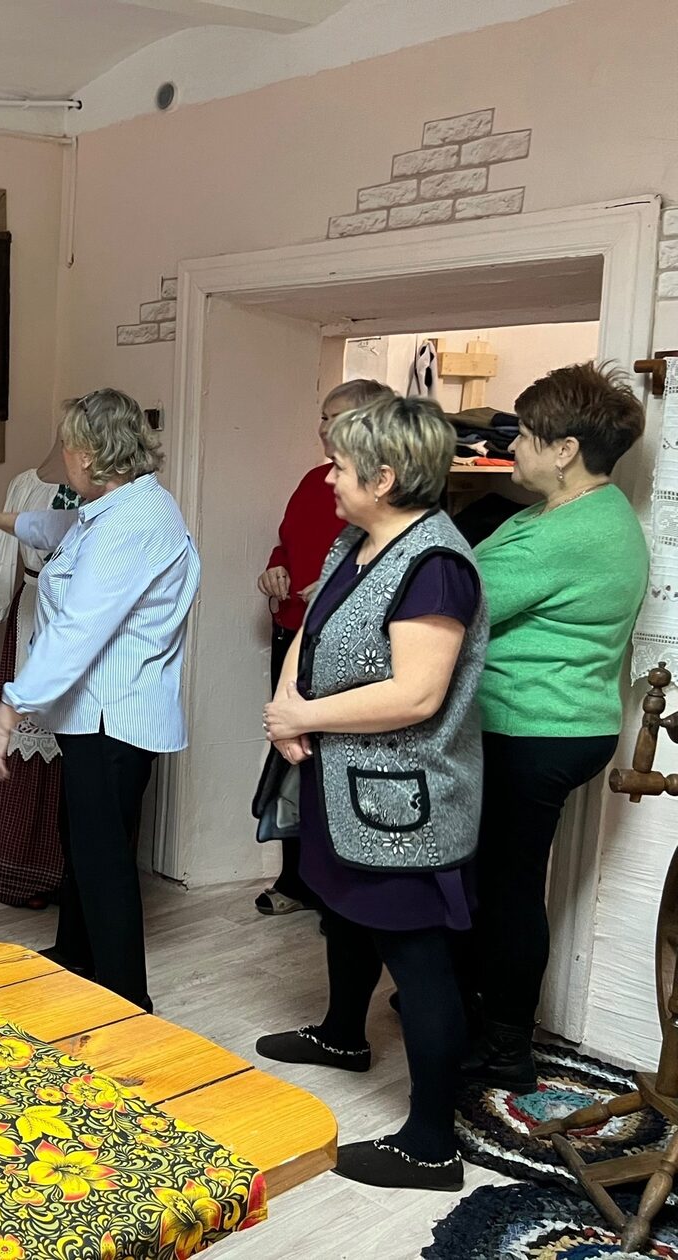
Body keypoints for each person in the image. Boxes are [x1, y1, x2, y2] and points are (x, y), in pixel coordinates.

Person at [256, 393, 486, 1192]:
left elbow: (417, 694)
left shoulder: (436, 566)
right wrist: (286, 708)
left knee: (417, 960)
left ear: (384, 478)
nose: (328, 477)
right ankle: (341, 1035)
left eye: (342, 466)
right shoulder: (357, 542)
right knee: (344, 911)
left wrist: (306, 715)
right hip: (342, 780)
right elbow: (311, 628)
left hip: (403, 802)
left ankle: (430, 1147)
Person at [0, 390, 200, 1012]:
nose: (61, 454)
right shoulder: (124, 506)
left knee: (104, 859)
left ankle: (126, 998)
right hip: (100, 716)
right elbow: (58, 529)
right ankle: (76, 957)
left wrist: (8, 710)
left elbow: (75, 632)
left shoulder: (129, 526)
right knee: (84, 841)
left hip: (114, 719)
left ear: (87, 454)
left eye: (66, 444)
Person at [460, 363, 648, 1090]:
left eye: (526, 435)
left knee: (507, 888)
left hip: (536, 729)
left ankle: (507, 1047)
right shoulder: (559, 514)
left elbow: (458, 596)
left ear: (565, 449)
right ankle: (474, 1010)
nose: (513, 445)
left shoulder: (569, 532)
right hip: (552, 724)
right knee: (493, 878)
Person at [253, 377, 391, 916]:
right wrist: (276, 570)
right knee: (290, 758)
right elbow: (287, 544)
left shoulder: (381, 490)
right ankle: (297, 880)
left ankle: (337, 891)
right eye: (322, 416)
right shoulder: (316, 480)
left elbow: (380, 565)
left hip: (339, 648)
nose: (322, 427)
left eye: (334, 417)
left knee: (330, 764)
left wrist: (337, 590)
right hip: (292, 635)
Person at [0, 439, 80, 909]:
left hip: (83, 617)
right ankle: (18, 865)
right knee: (25, 736)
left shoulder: (112, 498)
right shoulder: (26, 484)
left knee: (73, 738)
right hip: (36, 610)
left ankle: (69, 874)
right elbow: (4, 552)